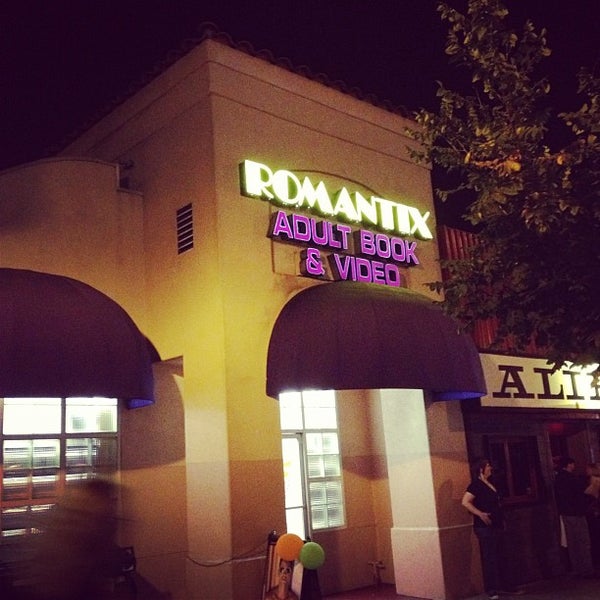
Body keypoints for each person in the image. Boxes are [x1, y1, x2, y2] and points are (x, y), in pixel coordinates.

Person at [462, 458, 522, 600]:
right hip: (484, 527)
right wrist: (480, 514)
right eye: (488, 466)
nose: (490, 468)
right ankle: (492, 588)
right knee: (489, 557)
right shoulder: (476, 485)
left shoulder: (490, 483)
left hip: (497, 523)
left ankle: (505, 585)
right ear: (481, 469)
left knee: (502, 554)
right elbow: (465, 501)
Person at [554, 456, 595, 577]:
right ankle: (587, 569)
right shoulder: (572, 479)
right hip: (577, 512)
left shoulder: (557, 479)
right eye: (572, 464)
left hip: (566, 513)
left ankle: (576, 568)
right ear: (569, 465)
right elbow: (582, 494)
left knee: (572, 542)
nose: (574, 466)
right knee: (583, 541)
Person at [584, 463, 600, 567]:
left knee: (595, 538)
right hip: (595, 513)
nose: (586, 471)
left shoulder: (595, 481)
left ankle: (596, 562)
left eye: (588, 469)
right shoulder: (594, 481)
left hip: (595, 514)